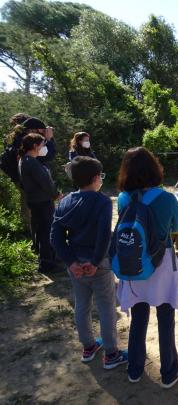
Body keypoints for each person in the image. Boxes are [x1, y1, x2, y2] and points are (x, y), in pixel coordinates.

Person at [114, 147, 178, 388]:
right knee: (165, 317)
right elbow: (176, 226)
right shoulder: (166, 198)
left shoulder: (123, 198)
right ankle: (169, 372)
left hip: (133, 260)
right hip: (161, 260)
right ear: (154, 168)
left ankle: (134, 369)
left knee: (138, 317)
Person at [50, 156, 128, 368]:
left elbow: (55, 237)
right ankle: (111, 353)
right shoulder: (102, 201)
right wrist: (94, 261)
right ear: (95, 178)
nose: (101, 179)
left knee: (82, 305)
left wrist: (70, 262)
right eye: (100, 176)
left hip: (76, 265)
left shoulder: (64, 202)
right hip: (98, 263)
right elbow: (103, 236)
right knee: (106, 307)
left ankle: (88, 346)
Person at [18, 133, 60, 273]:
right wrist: (56, 195)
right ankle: (47, 264)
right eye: (43, 144)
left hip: (36, 201)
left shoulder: (26, 160)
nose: (44, 147)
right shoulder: (31, 162)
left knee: (42, 231)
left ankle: (49, 259)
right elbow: (45, 182)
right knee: (46, 232)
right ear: (35, 146)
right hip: (42, 202)